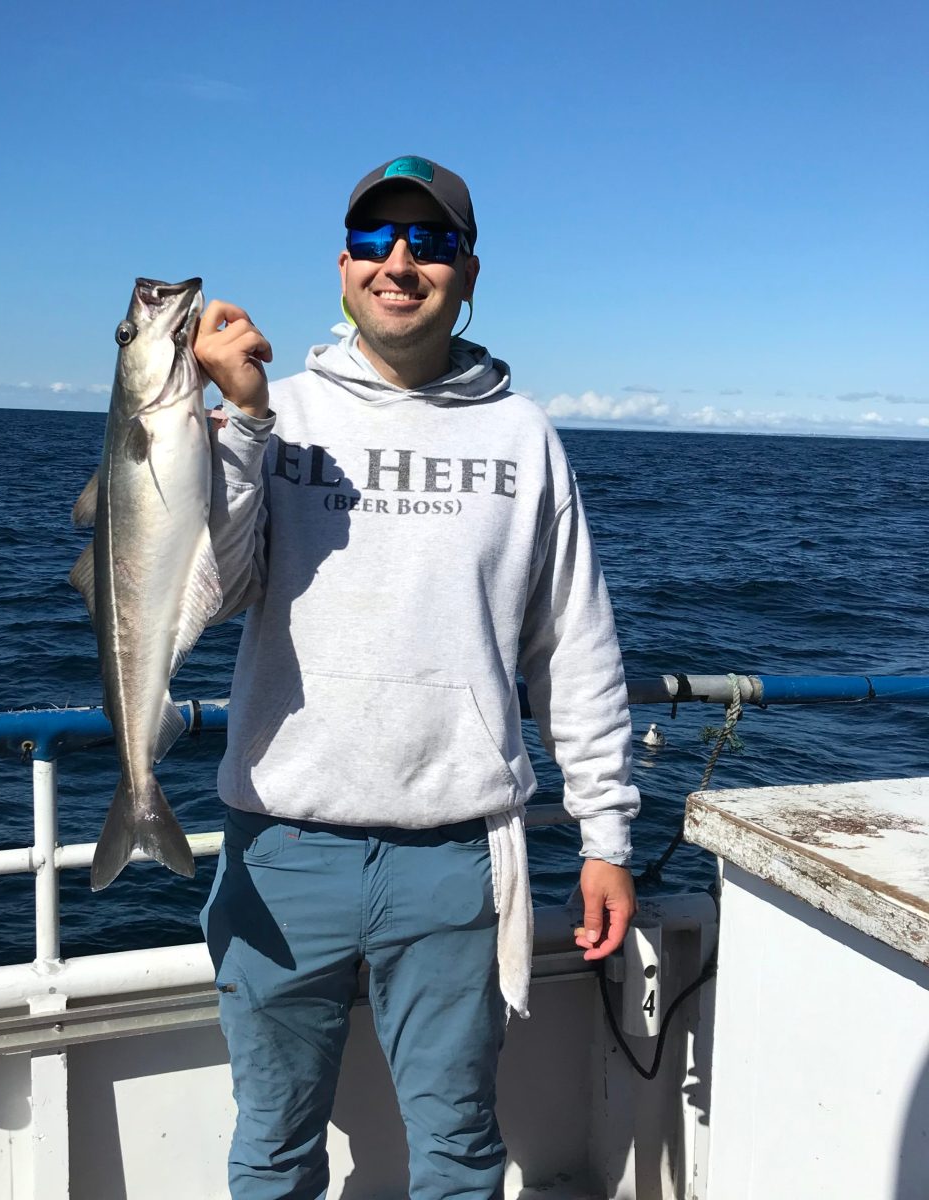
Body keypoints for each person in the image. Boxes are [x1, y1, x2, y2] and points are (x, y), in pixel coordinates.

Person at [193, 155, 640, 1200]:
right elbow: (207, 594)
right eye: (375, 239)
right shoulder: (272, 413)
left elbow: (575, 648)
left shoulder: (523, 436)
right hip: (281, 844)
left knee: (459, 1153)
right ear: (343, 266)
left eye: (429, 242)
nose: (399, 262)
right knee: (271, 1151)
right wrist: (240, 424)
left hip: (456, 857)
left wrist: (607, 836)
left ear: (468, 271)